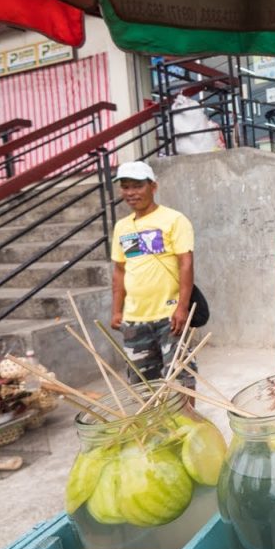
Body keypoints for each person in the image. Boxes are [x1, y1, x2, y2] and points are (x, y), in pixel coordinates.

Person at [109, 161, 196, 386]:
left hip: (169, 316)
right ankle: (157, 423)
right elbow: (119, 271)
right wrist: (117, 310)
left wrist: (182, 307)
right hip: (134, 320)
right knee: (143, 386)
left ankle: (188, 422)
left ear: (153, 187)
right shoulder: (122, 227)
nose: (131, 193)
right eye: (126, 187)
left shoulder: (174, 220)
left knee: (180, 379)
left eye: (137, 186)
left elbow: (185, 263)